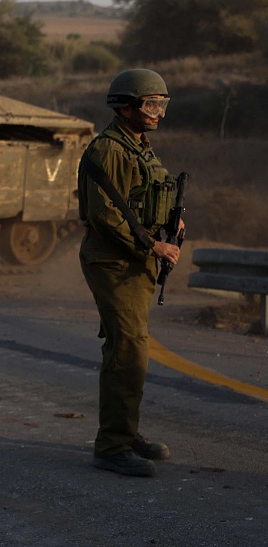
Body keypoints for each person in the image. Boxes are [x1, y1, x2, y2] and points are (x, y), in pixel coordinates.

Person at [78, 68, 182, 477]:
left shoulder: (139, 146)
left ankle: (124, 432)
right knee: (128, 350)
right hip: (113, 261)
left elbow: (140, 201)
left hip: (135, 261)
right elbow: (106, 215)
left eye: (162, 104)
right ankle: (112, 447)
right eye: (150, 104)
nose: (157, 112)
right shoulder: (110, 150)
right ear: (125, 106)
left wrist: (170, 227)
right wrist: (152, 244)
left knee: (127, 349)